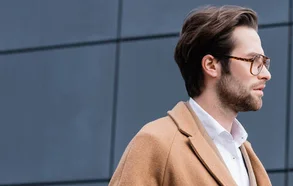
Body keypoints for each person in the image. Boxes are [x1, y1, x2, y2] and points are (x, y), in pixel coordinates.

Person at [109, 5, 272, 186]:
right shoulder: (155, 142)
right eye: (253, 61)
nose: (266, 73)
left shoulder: (247, 157)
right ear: (211, 65)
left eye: (264, 62)